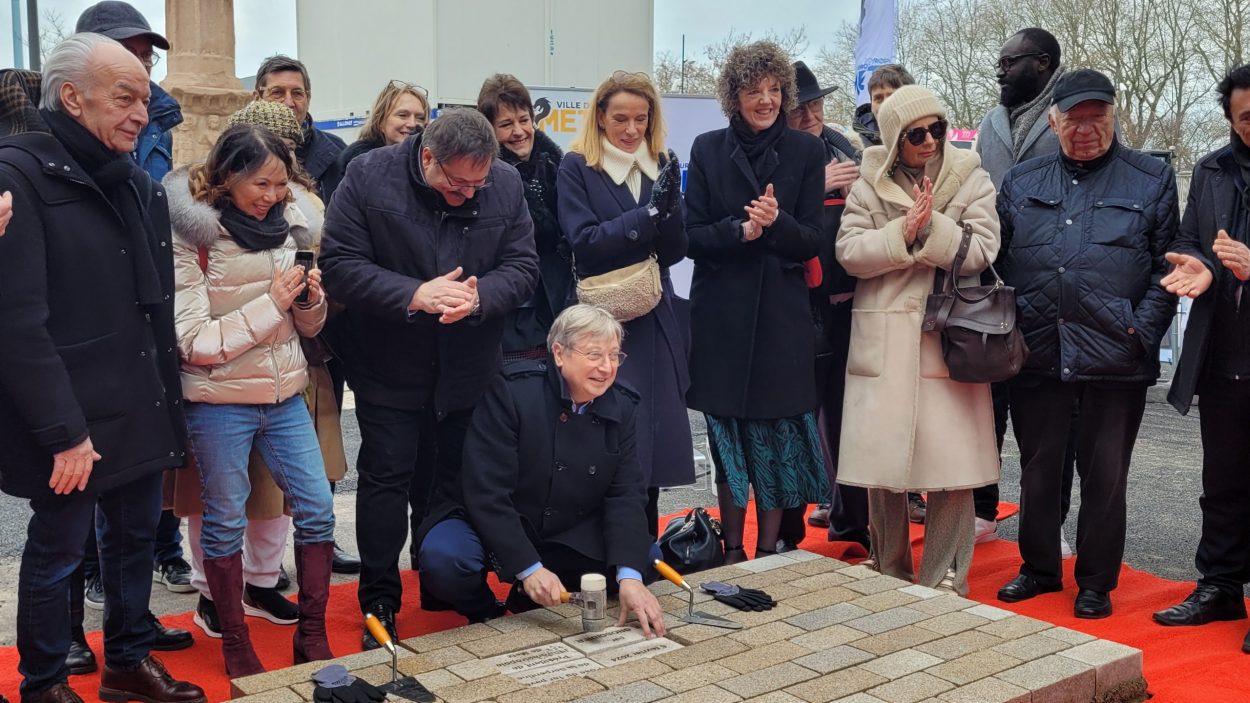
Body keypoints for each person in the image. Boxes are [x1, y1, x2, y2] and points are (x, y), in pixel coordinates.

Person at [0, 33, 205, 703]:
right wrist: (63, 431)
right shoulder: (18, 175)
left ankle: (127, 662)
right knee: (58, 551)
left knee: (134, 540)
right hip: (69, 416)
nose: (142, 114)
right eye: (125, 98)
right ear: (71, 97)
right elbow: (17, 323)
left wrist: (167, 405)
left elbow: (154, 309)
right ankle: (44, 682)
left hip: (136, 402)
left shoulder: (137, 185)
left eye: (145, 98)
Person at [321, 108, 538, 648]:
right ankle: (379, 599)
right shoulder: (368, 175)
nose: (467, 195)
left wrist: (480, 298)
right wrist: (414, 294)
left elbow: (523, 267)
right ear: (427, 158)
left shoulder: (504, 183)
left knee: (456, 479)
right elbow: (340, 266)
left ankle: (441, 582)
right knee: (386, 479)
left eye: (477, 185)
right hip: (388, 361)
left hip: (469, 364)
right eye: (457, 183)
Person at [995, 69, 1178, 619]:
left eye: (1097, 117)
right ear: (1053, 122)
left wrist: (1140, 332)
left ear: (1113, 117)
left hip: (1116, 355)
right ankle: (1038, 569)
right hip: (1038, 350)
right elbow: (996, 261)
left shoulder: (1151, 178)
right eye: (1074, 119)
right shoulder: (1022, 181)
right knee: (1038, 468)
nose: (1086, 129)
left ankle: (1096, 581)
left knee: (1105, 476)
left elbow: (1168, 267)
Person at [162, 100, 339, 643]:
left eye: (282, 184)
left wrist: (308, 302)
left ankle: (312, 633)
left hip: (285, 394)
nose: (273, 196)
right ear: (227, 177)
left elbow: (306, 329)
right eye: (261, 184)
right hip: (217, 402)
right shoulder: (192, 234)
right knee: (223, 517)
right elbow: (192, 342)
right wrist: (273, 302)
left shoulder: (290, 226)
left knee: (318, 509)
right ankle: (232, 637)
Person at [835, 85, 1000, 594]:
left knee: (952, 466)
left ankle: (947, 574)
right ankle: (888, 566)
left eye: (938, 128)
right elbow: (848, 251)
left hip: (947, 335)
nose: (930, 140)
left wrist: (932, 229)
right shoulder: (867, 182)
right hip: (883, 336)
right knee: (881, 463)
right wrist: (901, 233)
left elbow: (984, 247)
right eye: (916, 134)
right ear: (893, 139)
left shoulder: (970, 175)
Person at [69, 4, 193, 673]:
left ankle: (130, 637)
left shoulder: (157, 124)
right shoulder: (45, 151)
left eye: (147, 55)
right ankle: (64, 637)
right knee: (68, 515)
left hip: (138, 333)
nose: (143, 65)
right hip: (78, 350)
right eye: (128, 52)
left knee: (134, 513)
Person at [418, 305, 667, 634]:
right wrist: (528, 567)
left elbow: (626, 494)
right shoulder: (512, 391)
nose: (606, 368)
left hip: (567, 526)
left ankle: (528, 596)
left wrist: (630, 577)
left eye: (614, 356)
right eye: (594, 355)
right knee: (445, 560)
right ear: (559, 354)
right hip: (494, 517)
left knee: (644, 559)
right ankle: (485, 609)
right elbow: (487, 492)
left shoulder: (622, 404)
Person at [685, 41, 830, 563]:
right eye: (753, 91)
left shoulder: (806, 151)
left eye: (774, 90)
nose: (766, 100)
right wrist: (739, 230)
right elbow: (689, 235)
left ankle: (768, 549)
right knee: (726, 436)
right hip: (721, 316)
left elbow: (812, 238)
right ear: (734, 96)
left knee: (776, 438)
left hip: (780, 319)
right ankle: (731, 548)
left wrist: (776, 223)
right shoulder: (706, 148)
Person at [557, 70, 694, 534]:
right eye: (621, 119)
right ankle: (599, 549)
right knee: (602, 438)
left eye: (641, 118)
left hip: (654, 317)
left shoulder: (663, 163)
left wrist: (668, 215)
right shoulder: (576, 166)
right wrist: (648, 215)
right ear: (600, 117)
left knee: (650, 443)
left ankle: (643, 548)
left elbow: (675, 251)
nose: (632, 129)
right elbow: (584, 242)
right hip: (599, 323)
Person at [1154, 63, 1250, 651]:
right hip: (1223, 352)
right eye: (1247, 116)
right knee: (1222, 481)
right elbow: (1191, 240)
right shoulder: (1213, 170)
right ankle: (1220, 587)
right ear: (1232, 119)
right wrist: (1203, 267)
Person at [253, 53, 358, 574]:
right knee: (261, 455)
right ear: (258, 97)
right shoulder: (235, 157)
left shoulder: (334, 157)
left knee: (321, 437)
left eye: (298, 93)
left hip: (321, 325)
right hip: (258, 328)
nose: (289, 102)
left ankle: (319, 540)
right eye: (278, 92)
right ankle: (263, 561)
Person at [974, 27, 1073, 550]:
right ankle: (982, 509)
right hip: (991, 283)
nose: (1000, 71)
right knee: (985, 407)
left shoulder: (1073, 113)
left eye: (1009, 62)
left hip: (1050, 286)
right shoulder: (991, 122)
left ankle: (1049, 522)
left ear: (1042, 63)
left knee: (1047, 422)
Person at [779, 61, 865, 553]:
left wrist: (858, 195)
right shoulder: (774, 153)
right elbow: (765, 217)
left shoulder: (845, 147)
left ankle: (851, 521)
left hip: (849, 303)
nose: (810, 115)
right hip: (798, 307)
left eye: (815, 105)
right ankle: (786, 531)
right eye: (799, 108)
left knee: (849, 415)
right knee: (796, 417)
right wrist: (817, 186)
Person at [479, 74, 571, 361]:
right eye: (506, 124)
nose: (518, 131)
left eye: (524, 120)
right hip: (515, 312)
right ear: (489, 130)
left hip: (563, 300)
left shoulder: (559, 166)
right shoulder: (481, 178)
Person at [323, 80, 430, 203]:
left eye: (420, 118)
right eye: (402, 115)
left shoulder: (428, 163)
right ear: (380, 122)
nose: (412, 123)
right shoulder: (358, 162)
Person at [851, 64, 914, 149]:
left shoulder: (929, 140)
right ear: (871, 105)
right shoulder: (850, 148)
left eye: (893, 97)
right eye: (878, 98)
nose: (885, 105)